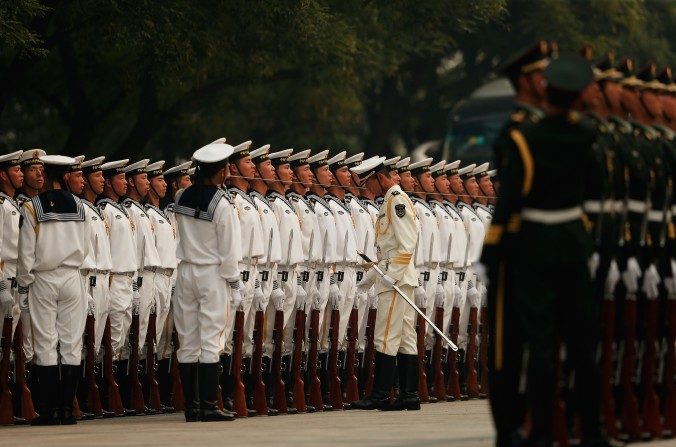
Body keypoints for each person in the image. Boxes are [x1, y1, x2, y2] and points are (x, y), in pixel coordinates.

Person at [485, 53, 610, 446]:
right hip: (572, 241)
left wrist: (494, 249)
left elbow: (509, 200)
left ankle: (538, 431)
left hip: (533, 244)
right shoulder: (588, 134)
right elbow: (595, 191)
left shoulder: (524, 137)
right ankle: (590, 430)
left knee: (539, 346)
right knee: (581, 343)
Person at [17, 155, 91, 425]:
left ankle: (49, 410)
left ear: (48, 175)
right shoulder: (80, 206)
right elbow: (86, 247)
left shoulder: (32, 206)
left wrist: (23, 285)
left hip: (43, 278)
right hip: (72, 276)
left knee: (46, 344)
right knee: (71, 344)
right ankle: (67, 411)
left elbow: (26, 252)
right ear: (66, 176)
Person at [173, 141, 240, 422]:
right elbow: (229, 250)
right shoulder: (223, 204)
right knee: (212, 339)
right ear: (222, 170)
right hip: (212, 274)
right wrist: (234, 283)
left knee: (187, 341)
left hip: (186, 271)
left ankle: (193, 407)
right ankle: (210, 406)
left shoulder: (180, 196)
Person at [350, 157, 419, 411]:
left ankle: (380, 395)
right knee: (405, 338)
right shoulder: (390, 201)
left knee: (385, 336)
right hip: (396, 275)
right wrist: (370, 278)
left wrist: (393, 274)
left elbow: (407, 244)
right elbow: (386, 252)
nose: (367, 189)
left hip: (396, 280)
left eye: (369, 183)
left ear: (381, 177)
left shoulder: (396, 201)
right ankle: (409, 395)